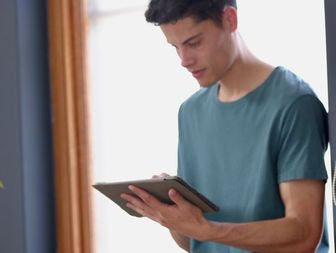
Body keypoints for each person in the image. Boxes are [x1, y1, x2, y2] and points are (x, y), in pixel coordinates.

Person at [120, 0, 329, 252]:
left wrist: (206, 229)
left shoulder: (294, 103)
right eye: (175, 47)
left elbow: (304, 234)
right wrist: (173, 217)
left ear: (230, 19)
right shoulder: (190, 112)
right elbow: (196, 242)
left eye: (194, 43)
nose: (184, 60)